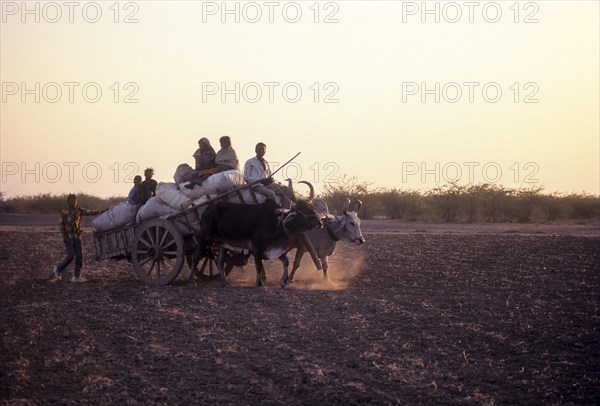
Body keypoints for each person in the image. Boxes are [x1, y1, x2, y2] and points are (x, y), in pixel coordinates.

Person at [50, 194, 105, 283]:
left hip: (77, 236)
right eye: (71, 201)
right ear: (68, 202)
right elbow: (61, 225)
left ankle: (76, 277)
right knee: (70, 255)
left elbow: (91, 212)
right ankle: (58, 269)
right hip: (68, 236)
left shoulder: (79, 210)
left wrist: (103, 211)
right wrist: (64, 236)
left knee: (79, 256)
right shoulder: (64, 212)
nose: (73, 202)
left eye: (75, 201)